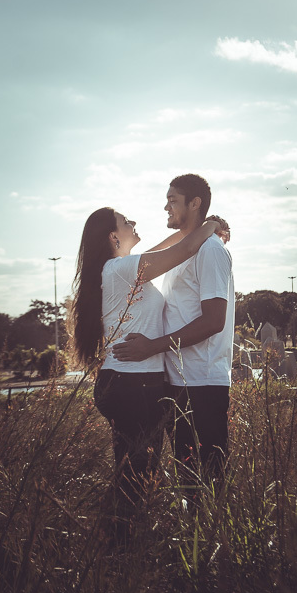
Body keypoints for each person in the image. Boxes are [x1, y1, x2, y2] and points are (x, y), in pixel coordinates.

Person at [68, 207, 221, 538]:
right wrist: (211, 224)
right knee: (136, 478)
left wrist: (197, 228)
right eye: (126, 222)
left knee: (134, 471)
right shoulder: (122, 270)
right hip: (134, 387)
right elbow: (181, 252)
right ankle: (116, 549)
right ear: (113, 237)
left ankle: (117, 546)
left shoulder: (116, 269)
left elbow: (168, 248)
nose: (134, 223)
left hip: (125, 383)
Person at [114, 173, 235, 502]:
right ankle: (192, 545)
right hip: (179, 383)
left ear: (194, 203)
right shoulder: (186, 252)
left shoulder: (210, 251)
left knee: (205, 486)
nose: (165, 206)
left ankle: (213, 549)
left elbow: (213, 321)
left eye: (173, 200)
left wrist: (151, 348)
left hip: (203, 385)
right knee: (187, 483)